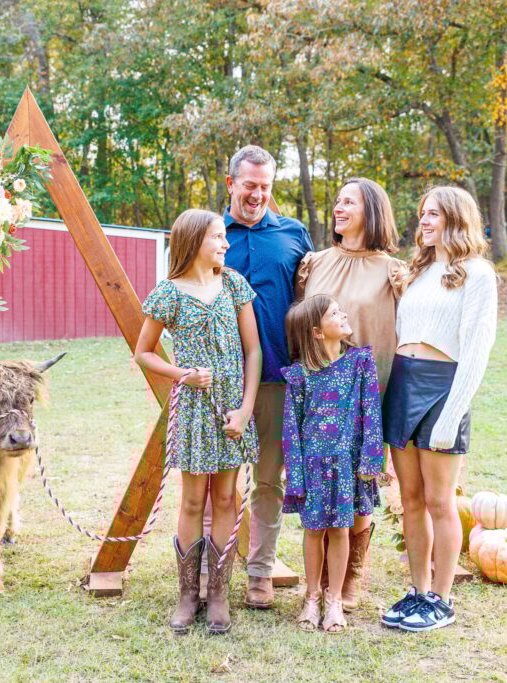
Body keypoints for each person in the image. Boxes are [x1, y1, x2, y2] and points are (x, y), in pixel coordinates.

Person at [134, 208, 261, 635]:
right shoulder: (168, 292)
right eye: (218, 237)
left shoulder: (234, 285)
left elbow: (253, 351)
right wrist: (182, 374)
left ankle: (219, 592)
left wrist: (245, 410)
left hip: (231, 406)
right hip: (193, 408)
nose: (226, 244)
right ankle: (188, 593)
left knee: (226, 499)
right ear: (193, 242)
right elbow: (144, 352)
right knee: (192, 501)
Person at [380, 186, 498, 633]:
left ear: (456, 218)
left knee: (439, 501)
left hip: (442, 389)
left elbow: (477, 351)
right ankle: (418, 591)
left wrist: (452, 414)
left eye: (433, 214)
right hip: (403, 384)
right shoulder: (421, 270)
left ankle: (442, 600)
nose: (424, 221)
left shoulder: (478, 273)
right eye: (422, 213)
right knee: (410, 501)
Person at [294, 178, 405, 611]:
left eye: (349, 202)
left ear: (372, 211)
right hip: (321, 393)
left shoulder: (391, 270)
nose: (339, 208)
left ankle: (352, 574)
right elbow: (301, 325)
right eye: (337, 201)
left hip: (369, 391)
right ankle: (319, 579)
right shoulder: (314, 263)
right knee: (322, 482)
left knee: (360, 481)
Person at [218, 145, 314, 609]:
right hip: (219, 380)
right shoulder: (209, 235)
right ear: (231, 183)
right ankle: (209, 570)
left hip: (277, 374)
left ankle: (259, 571)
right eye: (249, 185)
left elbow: (313, 299)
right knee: (217, 478)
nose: (257, 195)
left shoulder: (294, 235)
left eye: (265, 187)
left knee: (269, 480)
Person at [280, 295, 385, 633]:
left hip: (348, 464)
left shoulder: (360, 363)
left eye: (341, 309)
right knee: (313, 531)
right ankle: (312, 596)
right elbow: (291, 429)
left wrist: (371, 459)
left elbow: (372, 411)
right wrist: (295, 474)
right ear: (316, 331)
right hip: (313, 465)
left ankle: (335, 598)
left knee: (341, 529)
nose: (343, 315)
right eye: (334, 313)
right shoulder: (299, 375)